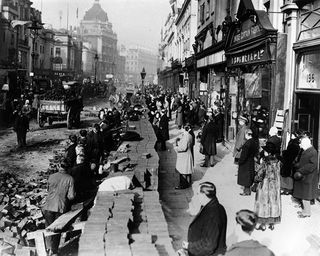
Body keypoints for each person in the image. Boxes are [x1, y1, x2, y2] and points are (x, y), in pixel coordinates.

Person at [177, 182, 227, 256]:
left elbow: (209, 245)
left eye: (198, 194)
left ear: (204, 195)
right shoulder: (217, 207)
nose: (196, 196)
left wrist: (189, 247)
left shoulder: (213, 215)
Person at [42, 160, 75, 256]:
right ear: (68, 168)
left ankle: (47, 249)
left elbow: (48, 190)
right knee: (56, 230)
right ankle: (54, 251)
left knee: (48, 228)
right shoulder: (70, 179)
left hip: (48, 206)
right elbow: (71, 196)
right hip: (60, 207)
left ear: (59, 167)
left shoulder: (51, 176)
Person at [254, 142, 281, 230]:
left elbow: (260, 173)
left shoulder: (264, 161)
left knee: (263, 203)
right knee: (273, 202)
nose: (264, 152)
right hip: (274, 184)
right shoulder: (277, 161)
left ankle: (263, 224)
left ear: (268, 152)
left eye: (265, 151)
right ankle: (272, 223)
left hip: (265, 184)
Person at [293, 136, 318, 218]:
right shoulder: (308, 150)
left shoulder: (313, 152)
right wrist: (298, 165)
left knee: (306, 196)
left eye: (301, 144)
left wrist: (301, 170)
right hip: (305, 175)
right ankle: (305, 209)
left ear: (306, 144)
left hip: (308, 177)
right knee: (304, 194)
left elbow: (312, 165)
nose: (300, 145)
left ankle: (307, 212)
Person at [237, 129, 259, 196]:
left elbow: (244, 155)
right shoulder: (253, 142)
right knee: (249, 176)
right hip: (251, 161)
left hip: (245, 162)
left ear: (247, 134)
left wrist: (240, 162)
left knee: (245, 177)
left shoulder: (247, 144)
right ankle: (247, 190)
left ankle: (246, 192)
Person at [280, 131, 302, 195]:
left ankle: (286, 188)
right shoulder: (296, 143)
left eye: (292, 134)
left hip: (289, 159)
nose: (291, 135)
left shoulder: (293, 143)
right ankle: (288, 189)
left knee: (287, 173)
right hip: (291, 160)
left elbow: (289, 151)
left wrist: (285, 153)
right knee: (289, 173)